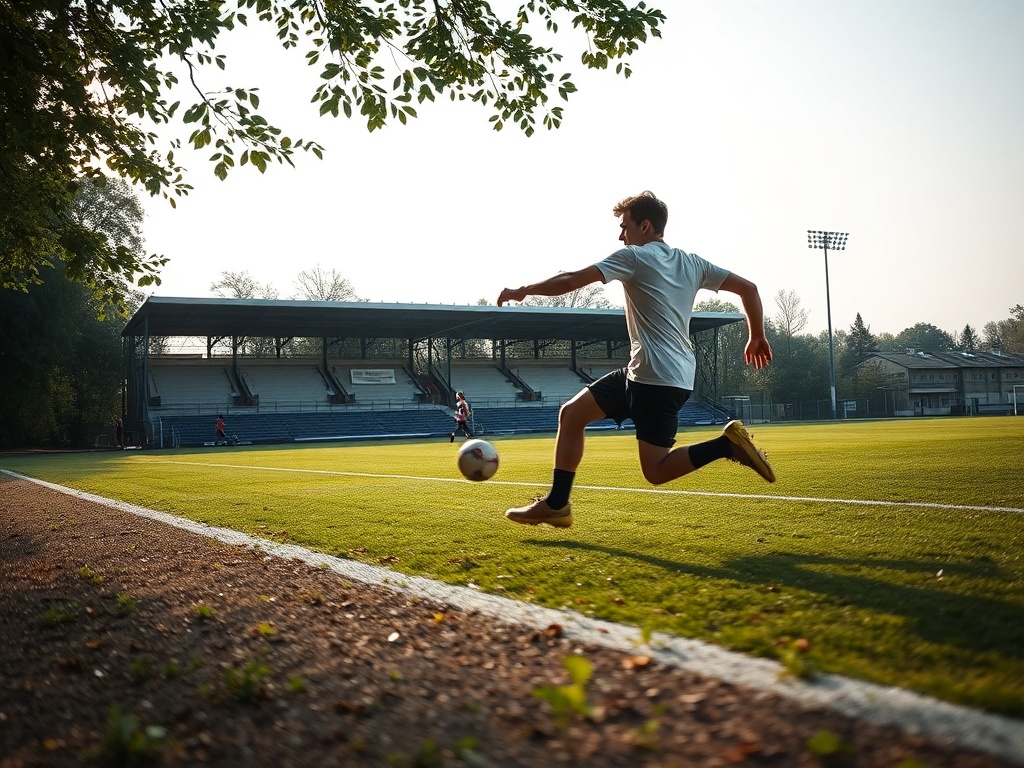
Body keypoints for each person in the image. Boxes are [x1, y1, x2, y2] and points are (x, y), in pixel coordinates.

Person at [496, 191, 775, 529]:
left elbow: (571, 280)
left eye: (624, 226)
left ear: (645, 226)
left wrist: (523, 290)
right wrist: (756, 334)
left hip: (654, 378)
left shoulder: (635, 257)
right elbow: (750, 288)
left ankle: (726, 446)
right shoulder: (693, 263)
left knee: (655, 471)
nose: (620, 234)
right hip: (649, 373)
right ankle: (557, 504)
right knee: (571, 415)